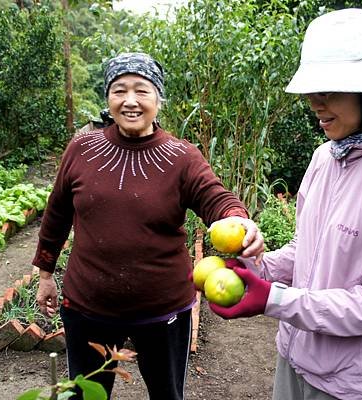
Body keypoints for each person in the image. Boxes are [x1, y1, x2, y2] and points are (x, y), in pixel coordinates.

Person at [208, 8, 362, 400]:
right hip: (294, 359)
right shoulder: (325, 157)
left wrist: (274, 299)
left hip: (352, 383)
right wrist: (257, 265)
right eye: (312, 91)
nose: (315, 103)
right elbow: (309, 251)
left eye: (328, 90)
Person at [33, 52, 264, 400]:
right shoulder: (82, 149)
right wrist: (46, 274)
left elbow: (215, 197)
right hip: (88, 307)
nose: (130, 101)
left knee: (167, 394)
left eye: (141, 90)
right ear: (108, 98)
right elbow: (57, 214)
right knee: (83, 395)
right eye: (119, 90)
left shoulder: (181, 156)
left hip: (162, 310)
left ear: (158, 98)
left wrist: (237, 220)